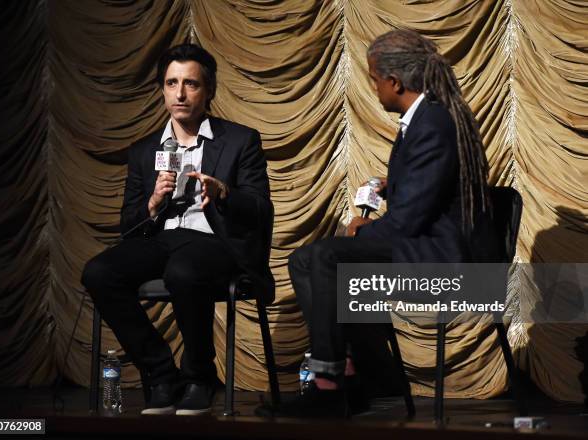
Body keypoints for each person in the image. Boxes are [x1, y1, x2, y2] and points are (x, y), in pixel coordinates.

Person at [267, 29, 499, 418]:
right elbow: (432, 187)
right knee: (306, 260)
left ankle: (332, 383)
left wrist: (363, 230)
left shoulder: (432, 125)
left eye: (375, 79)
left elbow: (407, 222)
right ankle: (357, 377)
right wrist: (393, 185)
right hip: (427, 241)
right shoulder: (427, 118)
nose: (374, 87)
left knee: (325, 256)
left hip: (442, 257)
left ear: (393, 82)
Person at [81, 44, 274, 416]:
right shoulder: (144, 150)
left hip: (214, 242)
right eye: (172, 83)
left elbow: (260, 208)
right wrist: (152, 204)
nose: (180, 94)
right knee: (99, 272)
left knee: (183, 271)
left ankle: (200, 377)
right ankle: (160, 372)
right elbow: (128, 224)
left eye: (191, 84)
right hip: (161, 239)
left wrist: (224, 193)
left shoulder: (239, 140)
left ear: (209, 90)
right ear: (162, 89)